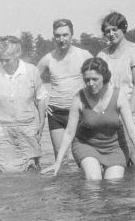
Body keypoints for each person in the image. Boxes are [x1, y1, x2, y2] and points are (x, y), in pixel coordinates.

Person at [41, 58, 135, 180]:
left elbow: (132, 130)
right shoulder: (78, 98)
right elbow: (69, 133)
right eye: (87, 80)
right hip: (86, 145)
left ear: (105, 77)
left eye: (95, 79)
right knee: (94, 179)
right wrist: (57, 162)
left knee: (113, 184)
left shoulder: (118, 96)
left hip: (114, 147)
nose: (90, 84)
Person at [0, 36, 48, 174]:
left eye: (7, 60)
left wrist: (42, 121)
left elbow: (41, 96)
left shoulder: (31, 71)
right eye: (1, 59)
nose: (3, 63)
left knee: (32, 173)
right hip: (0, 132)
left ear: (17, 55)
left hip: (27, 129)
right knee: (3, 176)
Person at [97, 12, 135, 165]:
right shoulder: (102, 55)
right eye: (107, 31)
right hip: (111, 115)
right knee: (116, 162)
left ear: (123, 28)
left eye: (114, 29)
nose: (111, 34)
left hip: (134, 113)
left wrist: (126, 114)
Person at [37, 19, 93, 158]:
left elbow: (100, 79)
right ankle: (63, 180)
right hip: (56, 113)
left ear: (71, 35)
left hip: (80, 112)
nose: (61, 39)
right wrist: (41, 103)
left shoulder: (84, 55)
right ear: (54, 36)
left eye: (65, 35)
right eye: (58, 35)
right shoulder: (48, 58)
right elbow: (31, 82)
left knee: (84, 155)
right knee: (61, 158)